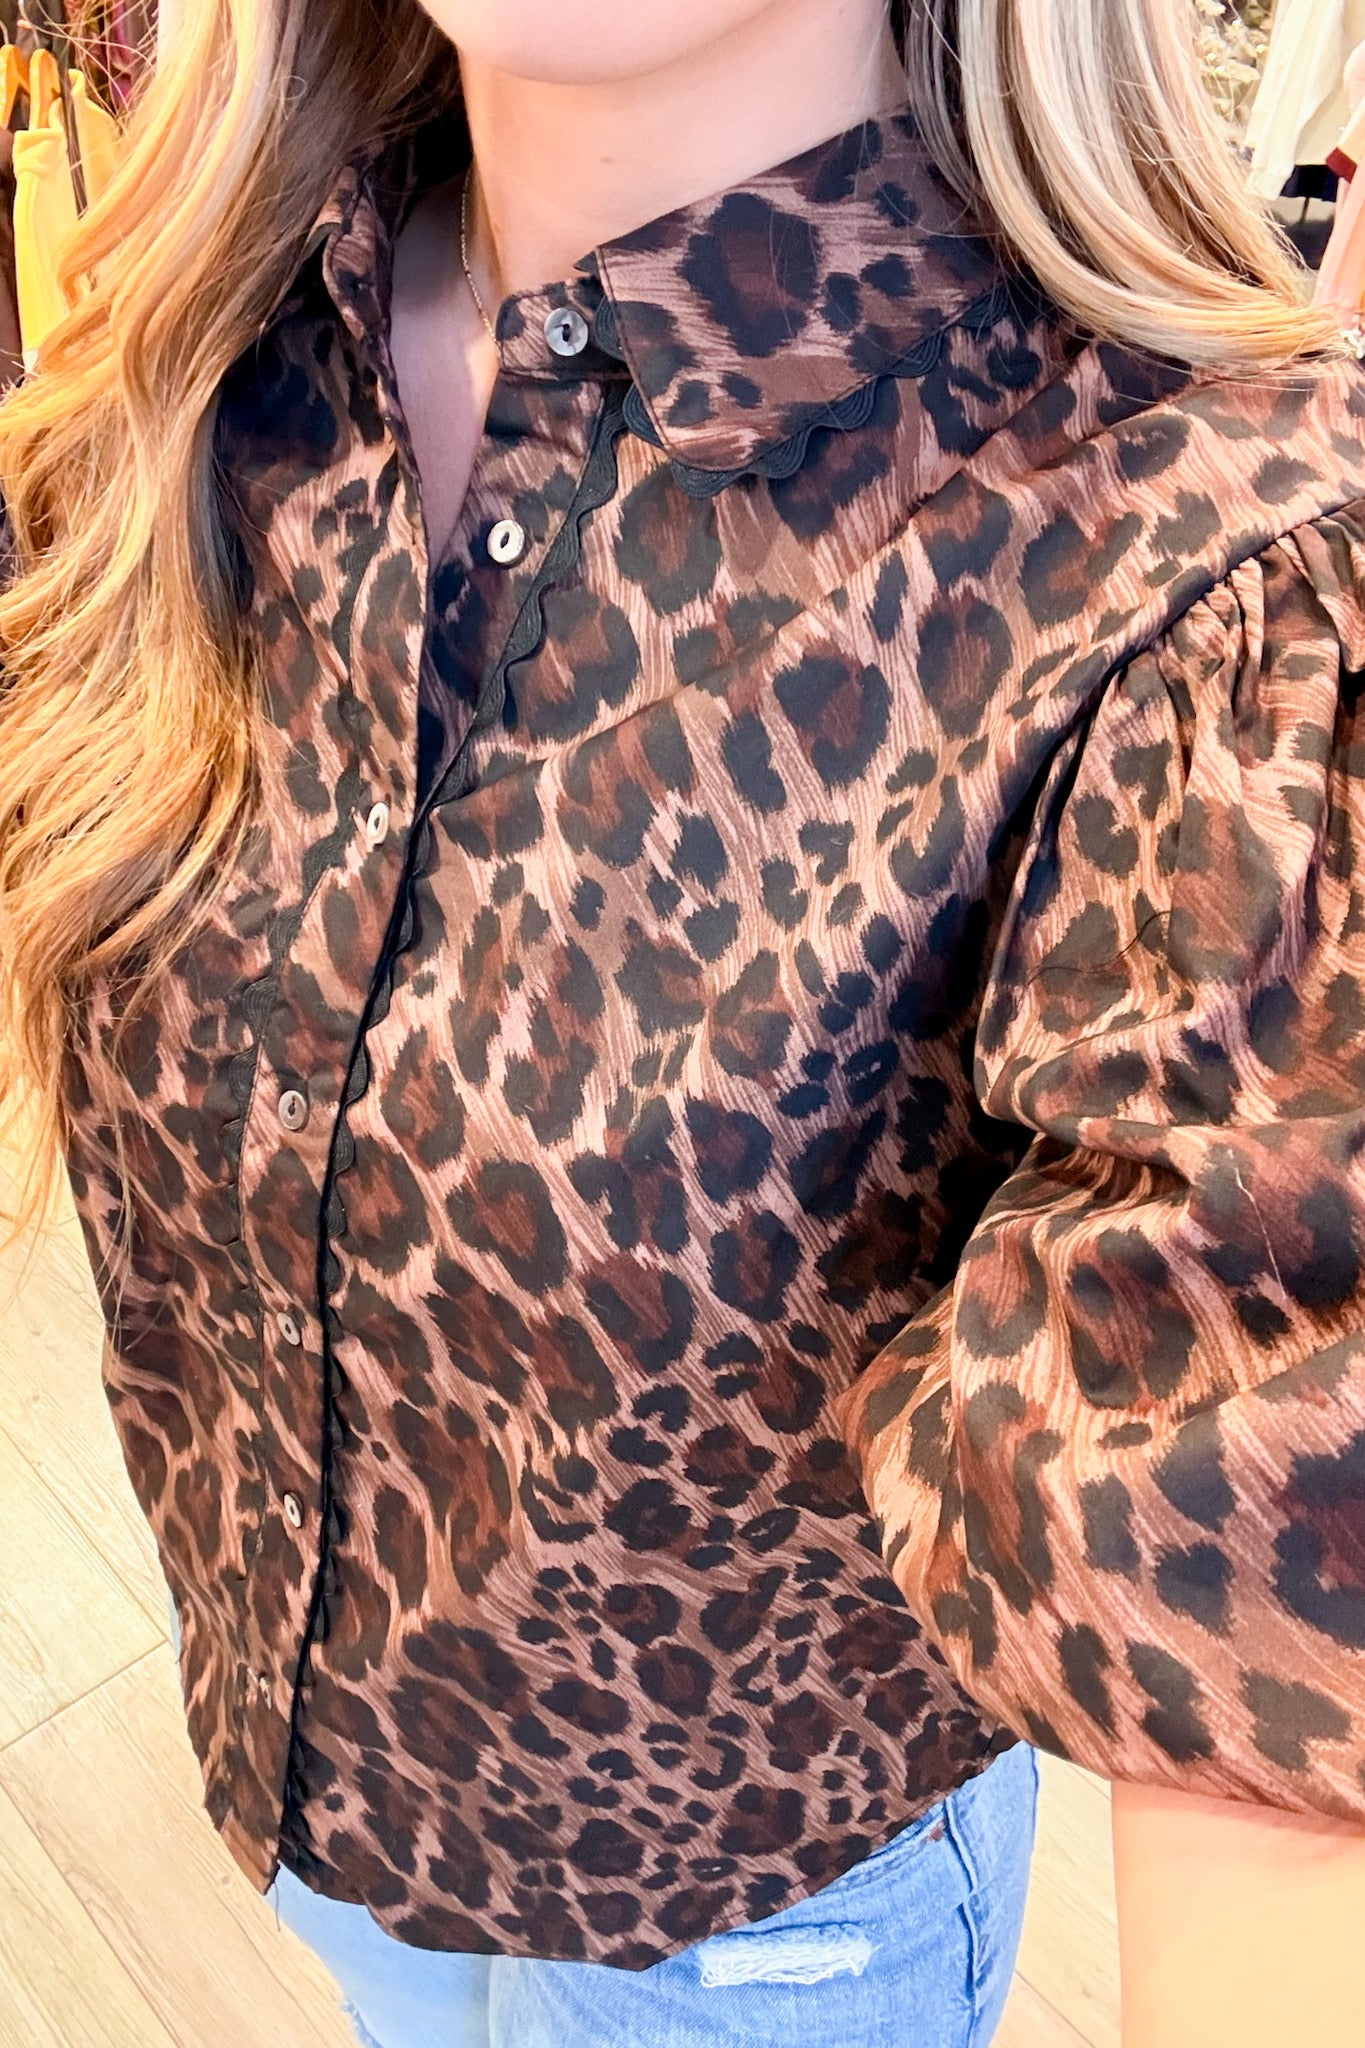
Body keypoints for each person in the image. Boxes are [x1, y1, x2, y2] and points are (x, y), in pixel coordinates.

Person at [2, 0, 1365, 2042]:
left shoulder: (1189, 571)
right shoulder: (221, 351)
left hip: (742, 1933)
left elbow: (1283, 1645)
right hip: (328, 1794)